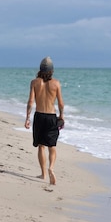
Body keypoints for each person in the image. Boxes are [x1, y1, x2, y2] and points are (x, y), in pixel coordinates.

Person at [25, 56, 64, 185]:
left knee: (41, 146)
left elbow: (31, 102)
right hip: (51, 116)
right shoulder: (56, 83)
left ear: (40, 69)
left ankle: (44, 174)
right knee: (52, 146)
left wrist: (27, 118)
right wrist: (61, 116)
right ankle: (51, 168)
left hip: (39, 116)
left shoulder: (34, 82)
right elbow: (61, 103)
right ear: (52, 70)